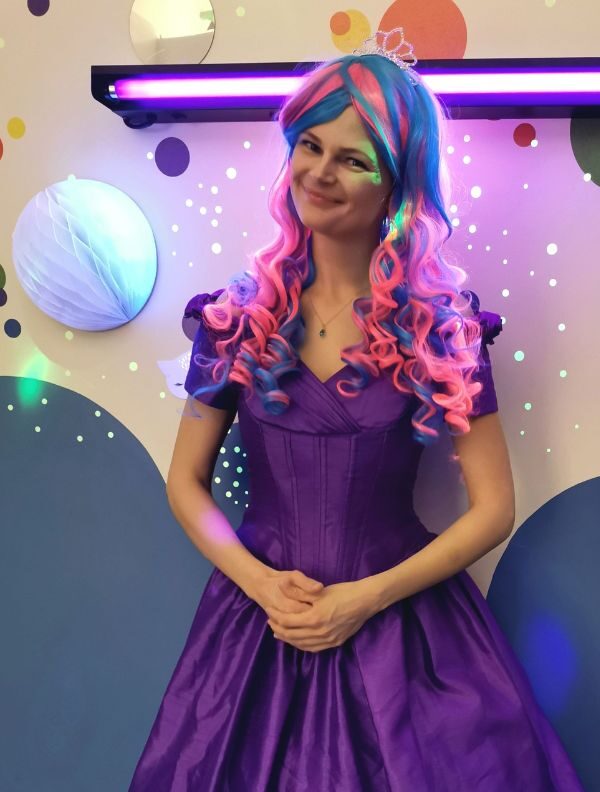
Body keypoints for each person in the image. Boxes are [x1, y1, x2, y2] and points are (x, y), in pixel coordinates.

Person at [129, 29, 584, 791]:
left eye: (352, 159)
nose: (320, 172)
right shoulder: (235, 320)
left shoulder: (442, 330)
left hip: (404, 629)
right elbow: (185, 484)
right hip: (260, 623)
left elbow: (493, 509)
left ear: (396, 184)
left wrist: (363, 600)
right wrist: (260, 584)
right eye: (309, 146)